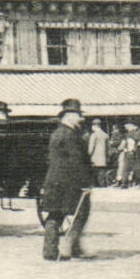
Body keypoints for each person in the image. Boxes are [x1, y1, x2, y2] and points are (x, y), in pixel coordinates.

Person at [40, 99, 91, 261]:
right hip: (69, 182)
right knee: (81, 212)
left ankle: (50, 251)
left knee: (54, 214)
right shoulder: (70, 135)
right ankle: (72, 247)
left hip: (54, 180)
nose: (81, 119)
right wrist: (85, 183)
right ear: (68, 116)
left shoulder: (57, 133)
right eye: (78, 115)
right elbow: (76, 161)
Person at [86, 119, 110, 187]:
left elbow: (91, 147)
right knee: (102, 173)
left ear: (95, 126)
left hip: (95, 158)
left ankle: (95, 185)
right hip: (103, 158)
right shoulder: (105, 135)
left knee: (94, 173)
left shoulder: (94, 135)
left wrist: (88, 155)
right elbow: (108, 147)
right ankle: (102, 185)